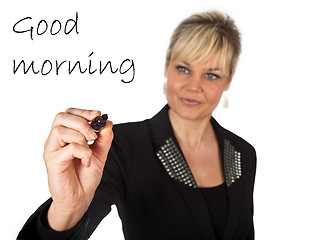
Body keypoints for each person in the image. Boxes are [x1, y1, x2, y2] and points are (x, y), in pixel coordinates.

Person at [18, 10, 256, 240]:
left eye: (212, 74)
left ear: (229, 79)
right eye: (183, 69)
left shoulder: (244, 154)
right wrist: (67, 210)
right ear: (166, 67)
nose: (193, 86)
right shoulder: (122, 145)